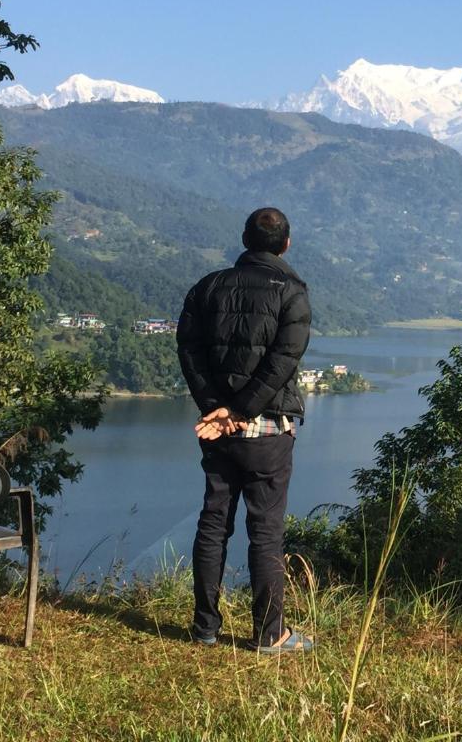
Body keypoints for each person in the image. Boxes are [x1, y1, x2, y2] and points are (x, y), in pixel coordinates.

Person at [176, 207, 313, 653]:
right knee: (266, 531)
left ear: (244, 239)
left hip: (218, 432)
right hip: (269, 433)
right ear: (286, 243)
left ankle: (204, 629)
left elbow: (189, 351)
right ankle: (270, 634)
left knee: (213, 522)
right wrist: (240, 409)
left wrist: (217, 409)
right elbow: (281, 363)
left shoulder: (207, 287)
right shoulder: (292, 293)